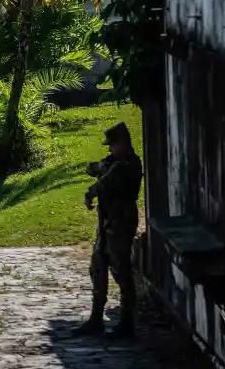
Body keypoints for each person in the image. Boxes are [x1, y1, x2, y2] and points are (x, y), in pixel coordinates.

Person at [74, 121, 143, 339]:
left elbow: (105, 182)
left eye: (113, 144)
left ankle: (126, 323)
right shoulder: (115, 162)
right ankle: (96, 318)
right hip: (107, 223)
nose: (110, 149)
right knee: (98, 267)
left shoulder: (129, 165)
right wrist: (100, 167)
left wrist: (91, 189)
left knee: (121, 271)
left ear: (122, 143)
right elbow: (95, 167)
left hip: (121, 223)